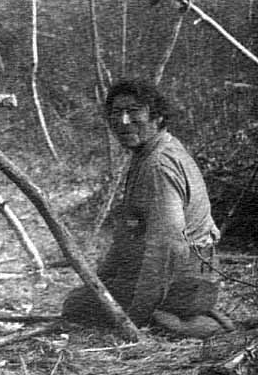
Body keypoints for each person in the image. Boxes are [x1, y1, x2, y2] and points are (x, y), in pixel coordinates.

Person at [62, 79, 234, 338]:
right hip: (191, 280)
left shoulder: (157, 165)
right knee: (86, 298)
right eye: (116, 113)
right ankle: (184, 314)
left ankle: (186, 324)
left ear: (157, 115)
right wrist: (100, 283)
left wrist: (137, 313)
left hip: (183, 281)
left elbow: (168, 246)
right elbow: (128, 238)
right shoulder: (155, 151)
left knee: (76, 307)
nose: (123, 121)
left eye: (133, 111)